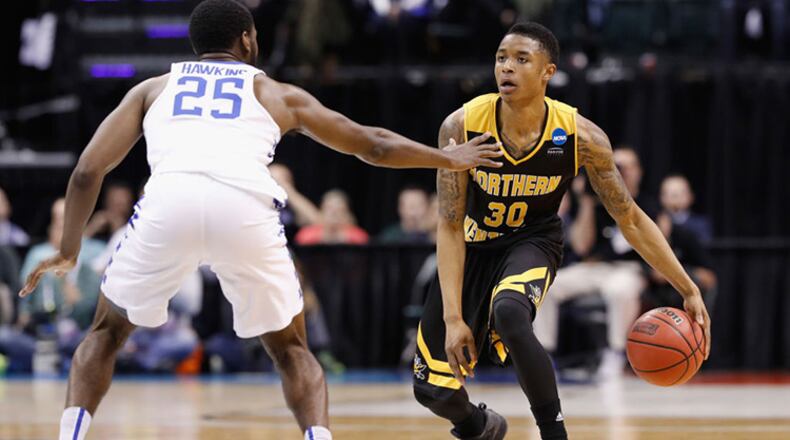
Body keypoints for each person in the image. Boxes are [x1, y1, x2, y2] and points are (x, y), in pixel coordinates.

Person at [17, 1, 502, 440]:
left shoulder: (153, 88)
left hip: (168, 203)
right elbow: (370, 144)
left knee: (105, 335)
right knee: (292, 350)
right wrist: (448, 158)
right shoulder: (273, 92)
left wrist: (69, 249)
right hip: (244, 208)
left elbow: (87, 171)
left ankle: (69, 436)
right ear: (247, 39)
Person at [412, 22, 711, 440]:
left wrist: (687, 287)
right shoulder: (461, 126)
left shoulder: (580, 136)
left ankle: (555, 434)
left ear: (547, 72)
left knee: (510, 311)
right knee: (432, 391)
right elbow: (448, 224)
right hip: (474, 246)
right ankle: (479, 425)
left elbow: (629, 218)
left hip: (532, 242)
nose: (507, 67)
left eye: (521, 59)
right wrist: (453, 317)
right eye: (501, 58)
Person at [533, 147, 659, 380]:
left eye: (626, 167)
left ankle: (615, 353)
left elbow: (655, 246)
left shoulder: (649, 204)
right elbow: (581, 247)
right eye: (616, 166)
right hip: (592, 267)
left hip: (628, 270)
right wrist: (587, 200)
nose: (621, 171)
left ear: (638, 171)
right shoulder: (593, 202)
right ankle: (543, 355)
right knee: (544, 287)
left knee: (619, 289)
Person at [295, 189, 370, 245]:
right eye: (329, 209)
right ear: (321, 211)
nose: (334, 214)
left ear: (347, 214)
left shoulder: (359, 237)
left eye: (339, 209)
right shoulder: (306, 235)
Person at [659, 174, 713, 244]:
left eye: (681, 193)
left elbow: (704, 246)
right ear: (661, 198)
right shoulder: (656, 223)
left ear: (690, 196)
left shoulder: (701, 224)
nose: (675, 198)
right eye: (670, 194)